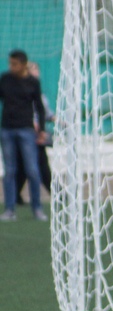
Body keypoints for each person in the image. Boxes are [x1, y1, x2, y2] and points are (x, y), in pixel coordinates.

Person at [0, 49, 47, 221]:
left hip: (26, 130)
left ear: (23, 64)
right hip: (7, 130)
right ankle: (10, 209)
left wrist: (41, 130)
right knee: (10, 171)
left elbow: (39, 107)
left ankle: (37, 208)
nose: (11, 67)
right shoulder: (5, 79)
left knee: (32, 170)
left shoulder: (33, 82)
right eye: (10, 63)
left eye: (15, 64)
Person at [13, 60, 52, 208]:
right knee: (40, 166)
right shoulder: (24, 91)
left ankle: (16, 195)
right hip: (28, 133)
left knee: (26, 166)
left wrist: (58, 120)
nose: (35, 73)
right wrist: (32, 124)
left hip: (37, 134)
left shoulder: (40, 93)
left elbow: (45, 112)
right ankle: (56, 193)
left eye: (37, 70)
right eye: (32, 70)